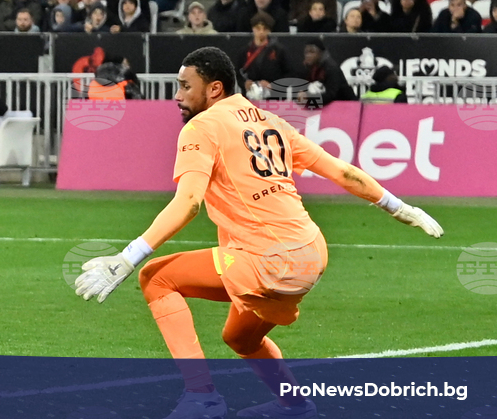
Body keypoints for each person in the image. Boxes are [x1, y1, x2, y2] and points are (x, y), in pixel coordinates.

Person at [73, 46, 443, 419]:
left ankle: (202, 397)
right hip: (311, 255)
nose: (177, 95)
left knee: (155, 277)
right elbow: (340, 170)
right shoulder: (271, 122)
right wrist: (400, 208)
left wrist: (127, 258)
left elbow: (188, 203)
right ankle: (295, 405)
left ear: (214, 88)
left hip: (269, 259)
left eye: (185, 86)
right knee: (240, 337)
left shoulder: (201, 127)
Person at [239, 13, 289, 97]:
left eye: (265, 29)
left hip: (273, 97)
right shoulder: (244, 51)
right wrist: (244, 83)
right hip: (250, 96)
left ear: (269, 30)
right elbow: (238, 72)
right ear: (253, 29)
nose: (261, 32)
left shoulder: (279, 50)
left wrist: (273, 86)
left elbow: (289, 73)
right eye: (258, 28)